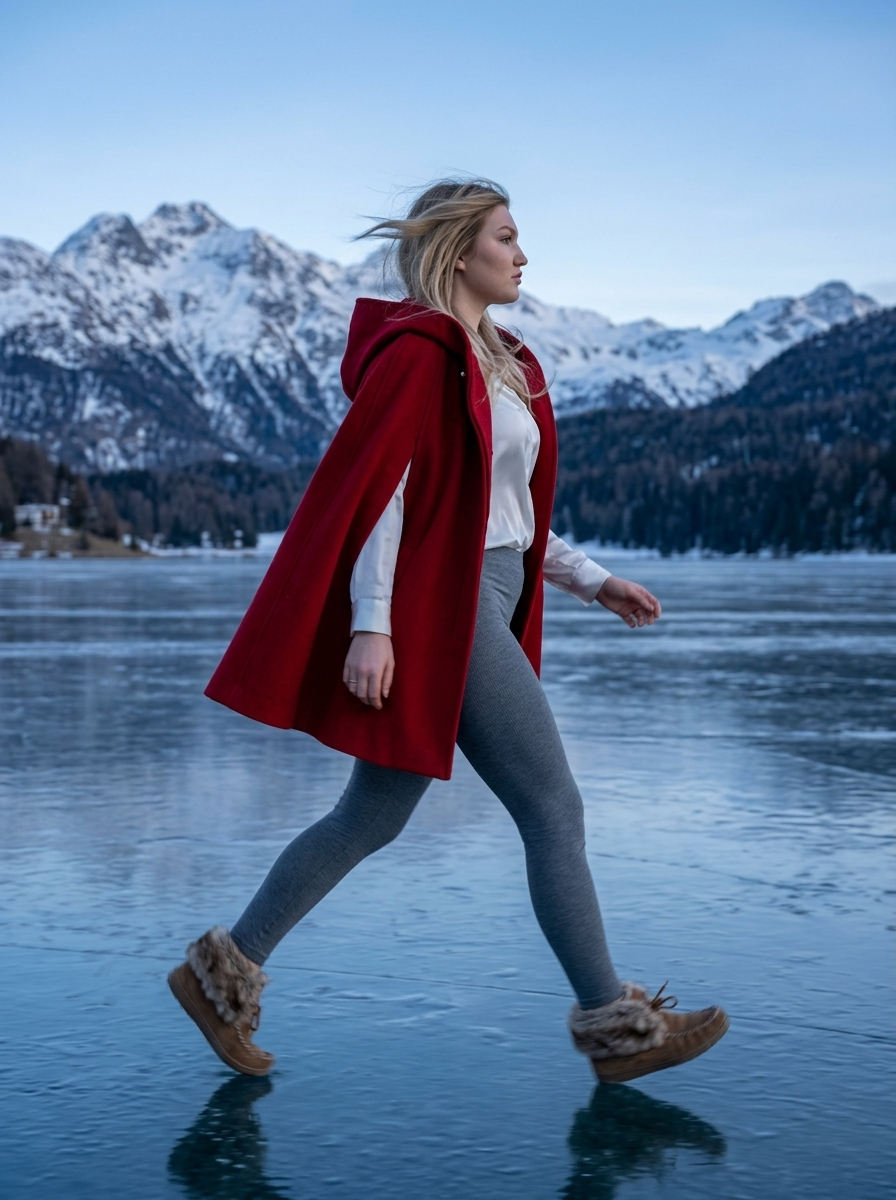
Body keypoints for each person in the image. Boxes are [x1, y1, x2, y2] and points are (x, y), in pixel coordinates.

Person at [168, 179, 729, 1084]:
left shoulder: (504, 360)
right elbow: (385, 496)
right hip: (444, 609)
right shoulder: (423, 353)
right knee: (554, 807)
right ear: (460, 250)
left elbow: (506, 514)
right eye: (507, 237)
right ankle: (618, 1029)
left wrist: (592, 580)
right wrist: (374, 626)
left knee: (369, 817)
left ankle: (220, 977)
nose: (523, 254)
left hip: (485, 588)